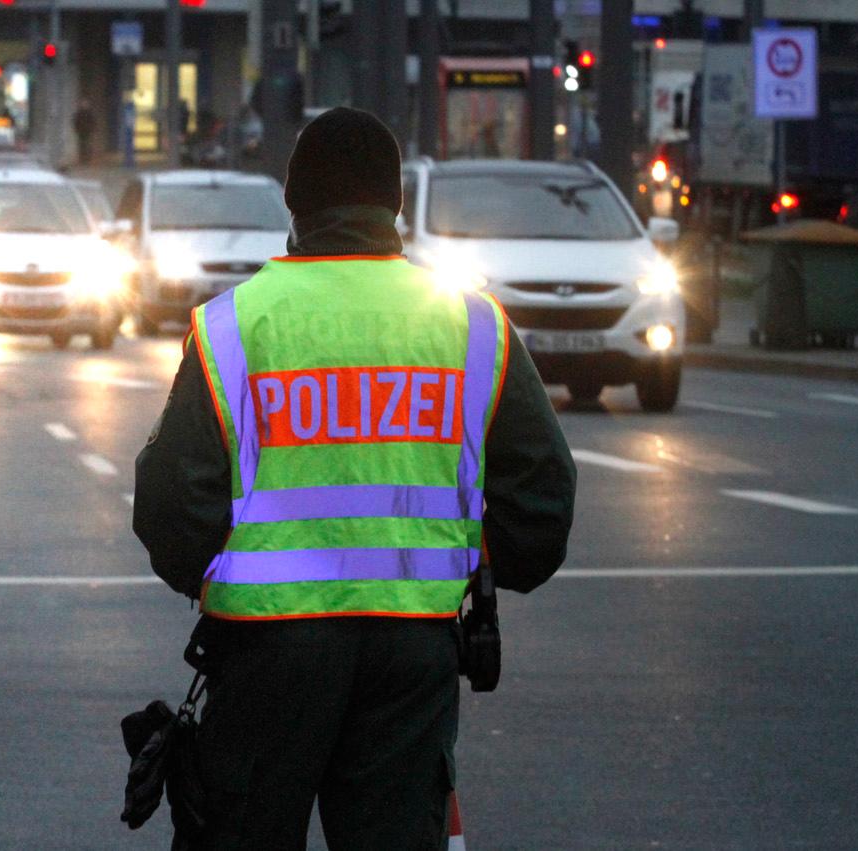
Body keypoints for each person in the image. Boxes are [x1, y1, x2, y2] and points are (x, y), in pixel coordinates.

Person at [131, 107, 575, 849]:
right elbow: (541, 502)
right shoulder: (471, 324)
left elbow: (171, 507)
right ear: (394, 203)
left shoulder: (234, 325)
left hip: (266, 652)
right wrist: (475, 564)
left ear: (293, 201)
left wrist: (210, 577)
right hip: (413, 651)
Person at [72, 98, 97, 165]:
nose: (84, 105)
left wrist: (92, 129)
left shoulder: (90, 113)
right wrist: (77, 128)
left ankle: (87, 158)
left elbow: (93, 121)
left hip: (88, 131)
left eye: (85, 104)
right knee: (82, 144)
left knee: (88, 144)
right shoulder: (79, 113)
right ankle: (82, 158)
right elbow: (76, 121)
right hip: (81, 131)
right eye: (83, 104)